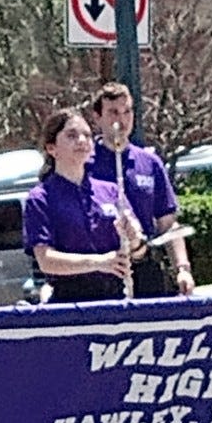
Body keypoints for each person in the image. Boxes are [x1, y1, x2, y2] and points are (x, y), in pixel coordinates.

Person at [24, 108, 143, 303]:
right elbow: (46, 261)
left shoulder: (111, 191)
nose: (82, 141)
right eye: (71, 135)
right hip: (69, 303)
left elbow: (138, 249)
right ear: (51, 148)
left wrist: (134, 239)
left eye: (87, 135)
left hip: (115, 299)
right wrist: (100, 262)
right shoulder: (40, 198)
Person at [87, 82, 194, 298]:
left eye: (127, 111)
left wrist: (182, 269)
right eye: (113, 112)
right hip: (103, 268)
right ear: (97, 117)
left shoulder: (149, 162)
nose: (122, 119)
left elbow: (167, 222)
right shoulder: (86, 163)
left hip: (145, 266)